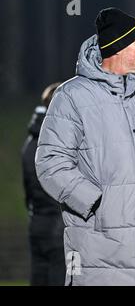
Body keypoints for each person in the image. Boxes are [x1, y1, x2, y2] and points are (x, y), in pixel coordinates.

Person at [35, 7, 135, 286]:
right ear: (117, 48)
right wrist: (96, 202)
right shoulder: (71, 97)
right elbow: (50, 161)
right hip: (100, 261)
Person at [21, 82, 66, 286]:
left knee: (39, 275)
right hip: (57, 222)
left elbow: (28, 188)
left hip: (36, 221)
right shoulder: (58, 140)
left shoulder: (30, 142)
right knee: (59, 275)